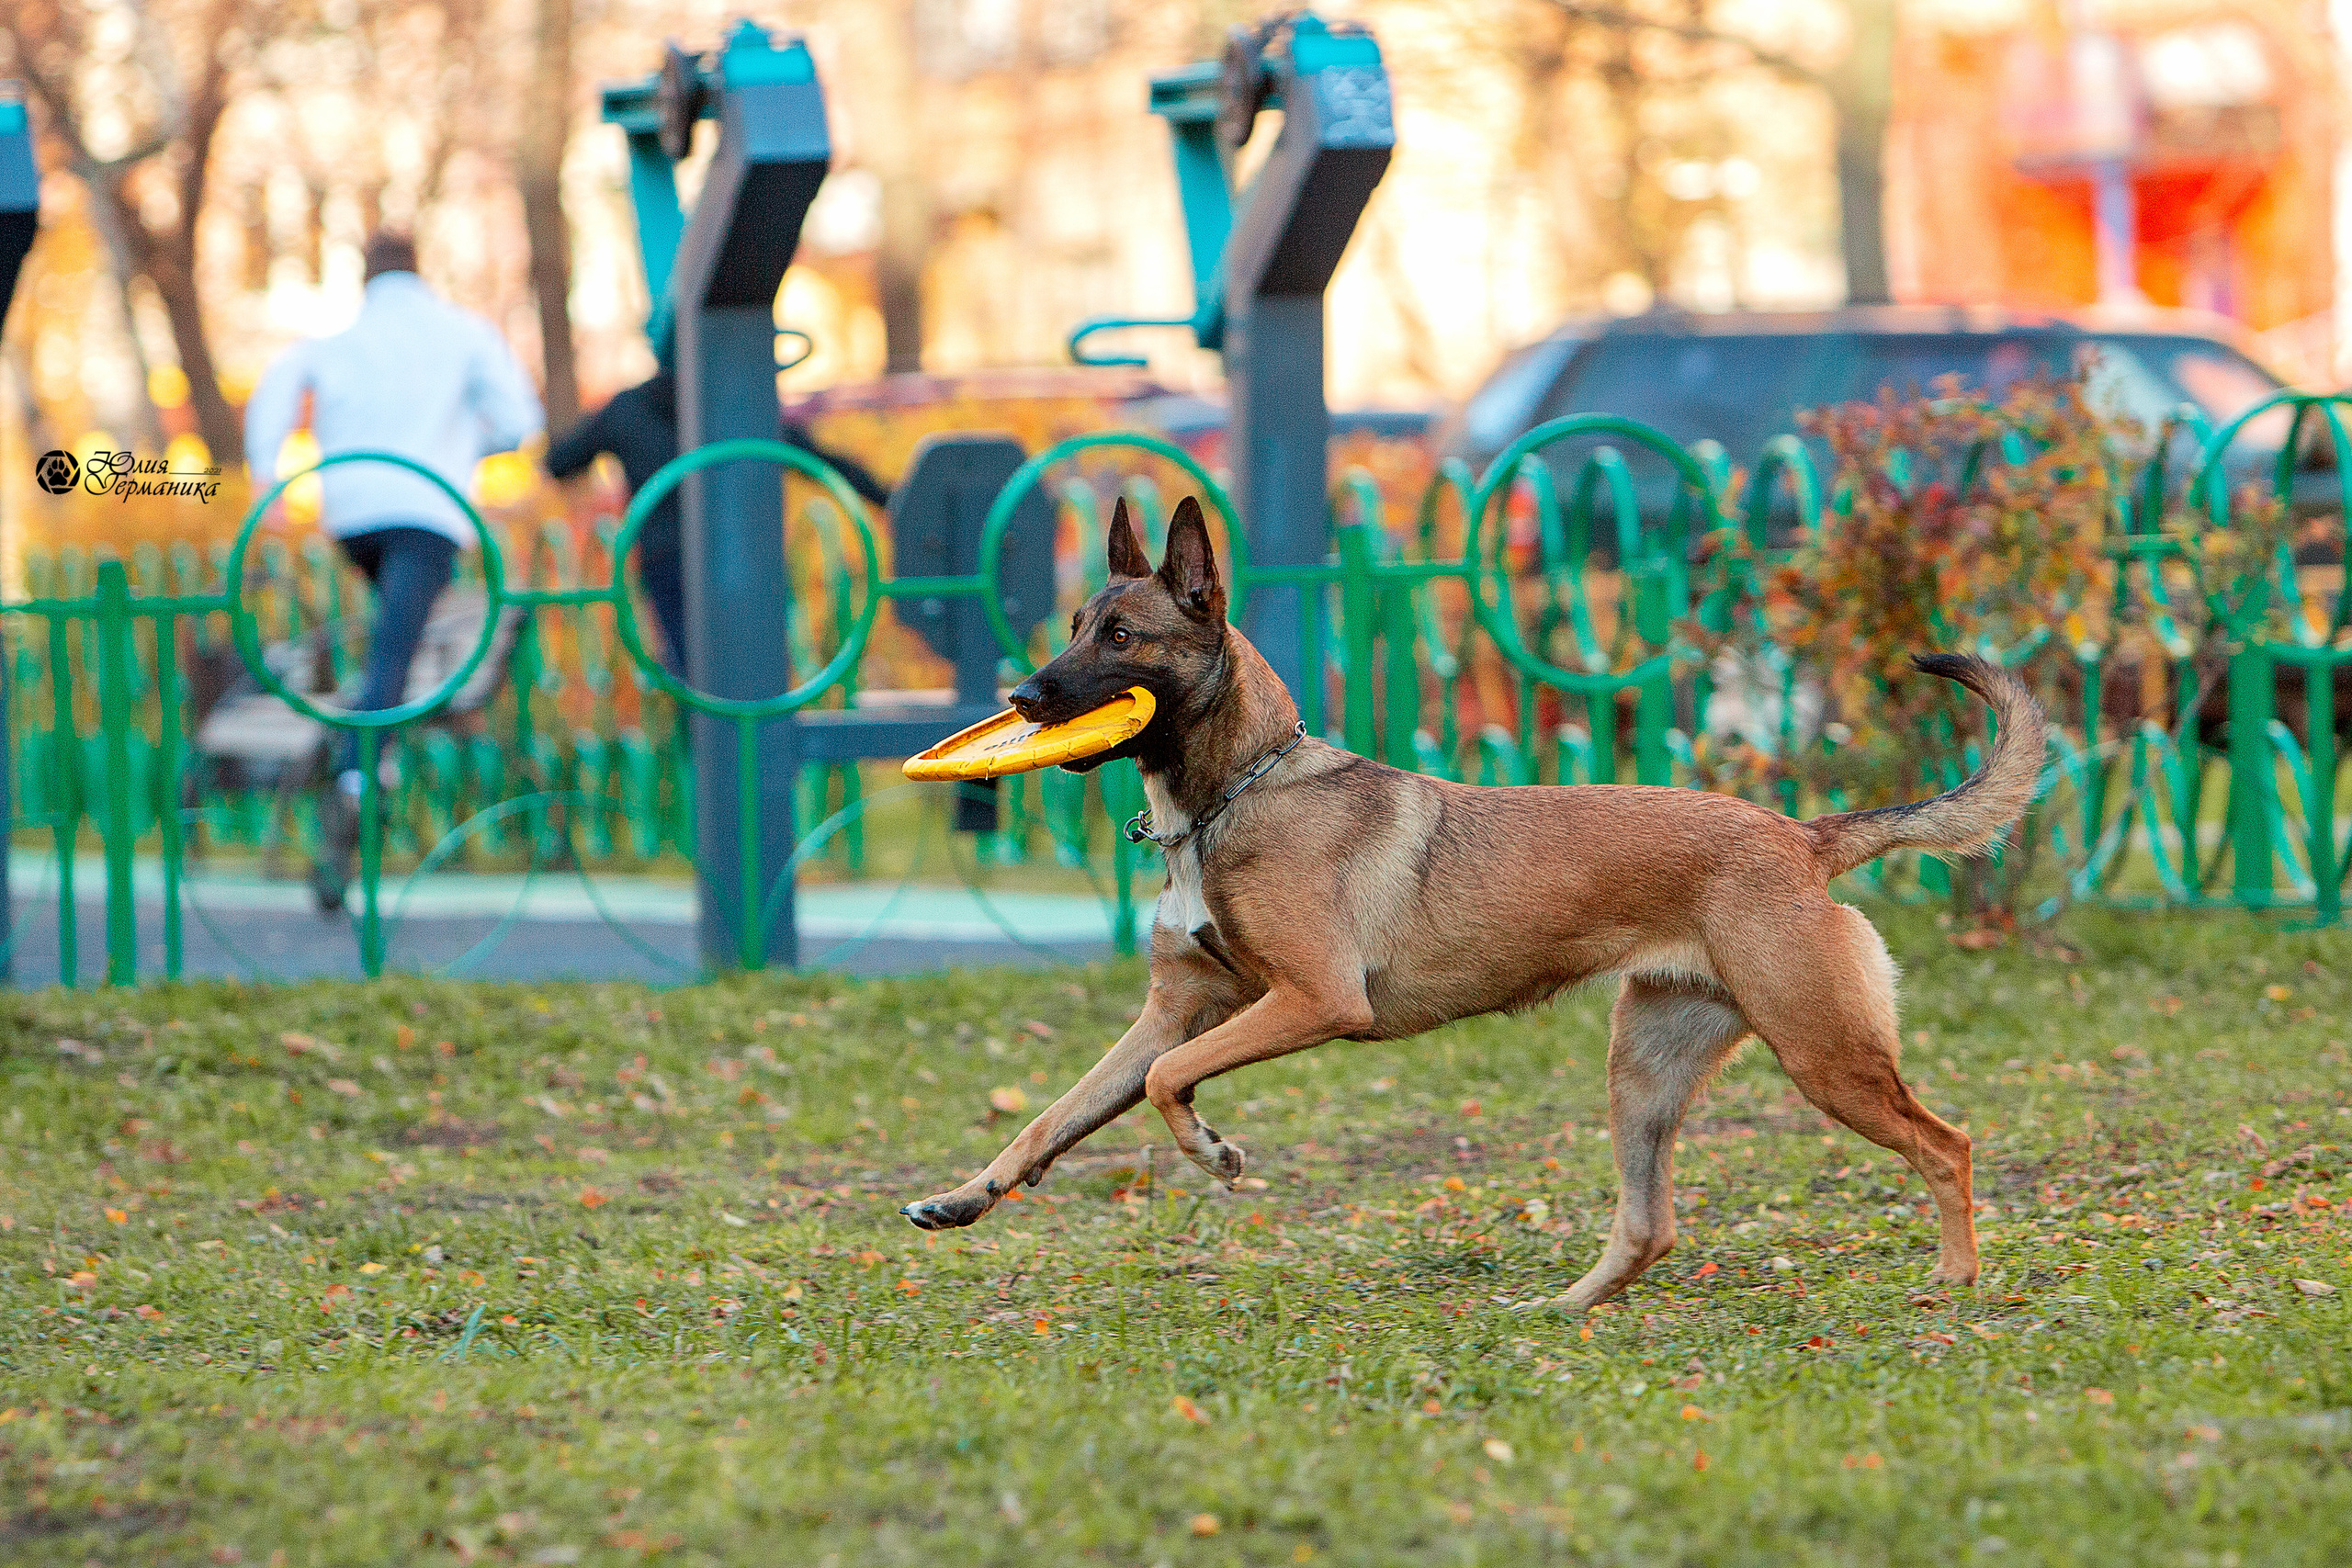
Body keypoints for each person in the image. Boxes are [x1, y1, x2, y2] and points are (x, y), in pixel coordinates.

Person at [244, 231, 544, 912]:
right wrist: (460, 447)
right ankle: (359, 779)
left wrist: (267, 474)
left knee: (392, 645)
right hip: (427, 509)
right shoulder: (461, 332)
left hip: (354, 514)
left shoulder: (339, 340)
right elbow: (519, 420)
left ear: (367, 278)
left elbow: (278, 385)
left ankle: (367, 763)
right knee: (392, 656)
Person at [543, 364, 891, 677]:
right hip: (742, 554)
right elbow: (819, 460)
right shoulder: (737, 405)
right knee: (757, 670)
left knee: (692, 671)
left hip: (668, 557)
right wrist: (886, 498)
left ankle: (704, 721)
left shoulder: (629, 409)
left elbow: (559, 462)